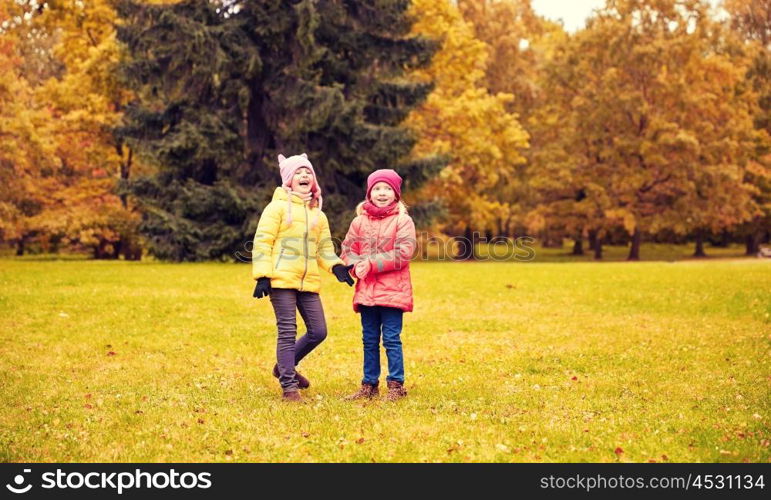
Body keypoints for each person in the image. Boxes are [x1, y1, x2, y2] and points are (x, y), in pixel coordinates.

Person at [252, 153, 354, 402]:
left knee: (319, 331)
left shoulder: (318, 215)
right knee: (287, 331)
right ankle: (289, 387)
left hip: (308, 281)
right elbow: (262, 241)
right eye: (298, 172)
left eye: (308, 172)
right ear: (288, 179)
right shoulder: (276, 208)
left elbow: (324, 249)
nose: (304, 176)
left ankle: (283, 366)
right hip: (280, 279)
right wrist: (263, 276)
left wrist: (337, 267)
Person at [341, 169, 416, 401]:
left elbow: (404, 252)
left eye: (387, 189)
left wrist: (371, 264)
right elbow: (347, 251)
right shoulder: (359, 222)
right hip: (367, 292)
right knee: (369, 339)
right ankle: (369, 385)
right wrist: (355, 266)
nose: (382, 193)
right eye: (377, 189)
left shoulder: (403, 220)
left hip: (393, 291)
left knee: (391, 338)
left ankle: (396, 385)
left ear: (396, 194)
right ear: (369, 193)